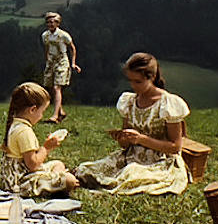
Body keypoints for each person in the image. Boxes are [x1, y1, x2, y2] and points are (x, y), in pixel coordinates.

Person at [73, 53, 190, 195]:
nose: (133, 85)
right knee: (86, 169)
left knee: (130, 175)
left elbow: (175, 147)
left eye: (138, 81)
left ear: (152, 77)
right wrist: (123, 139)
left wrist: (141, 139)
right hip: (131, 156)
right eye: (130, 81)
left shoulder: (168, 104)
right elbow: (125, 144)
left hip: (160, 161)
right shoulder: (129, 101)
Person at [0, 82, 80, 197]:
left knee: (58, 164)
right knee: (69, 181)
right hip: (21, 184)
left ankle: (55, 181)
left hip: (14, 178)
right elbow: (33, 165)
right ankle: (57, 183)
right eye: (42, 112)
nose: (42, 116)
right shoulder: (24, 132)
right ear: (32, 110)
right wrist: (46, 148)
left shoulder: (16, 124)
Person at [41, 12, 81, 123]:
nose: (50, 24)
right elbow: (46, 48)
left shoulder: (63, 35)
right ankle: (61, 112)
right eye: (48, 22)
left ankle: (55, 116)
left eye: (52, 22)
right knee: (49, 86)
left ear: (57, 23)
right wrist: (47, 60)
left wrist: (73, 63)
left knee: (57, 87)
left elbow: (72, 48)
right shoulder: (45, 35)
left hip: (62, 61)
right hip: (51, 61)